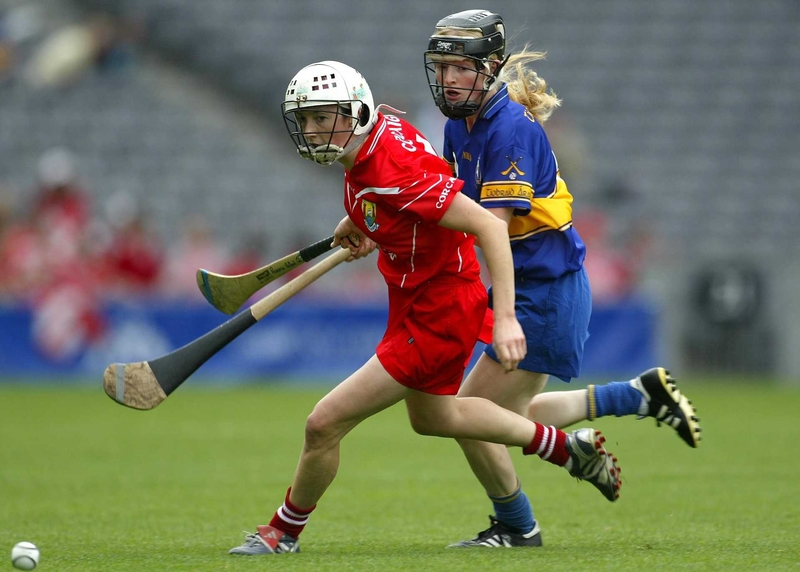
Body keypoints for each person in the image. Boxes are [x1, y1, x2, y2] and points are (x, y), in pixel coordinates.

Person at [228, 60, 622, 556]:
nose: (311, 131)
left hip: (440, 309)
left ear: (356, 111)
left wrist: (505, 319)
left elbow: (488, 226)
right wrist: (362, 217)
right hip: (416, 299)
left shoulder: (391, 171)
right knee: (435, 417)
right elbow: (409, 196)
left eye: (323, 118)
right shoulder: (378, 135)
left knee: (323, 423)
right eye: (304, 120)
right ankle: (557, 465)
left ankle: (283, 533)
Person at [423, 9, 702, 548]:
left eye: (461, 67)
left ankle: (517, 524)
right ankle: (636, 396)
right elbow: (447, 200)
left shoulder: (509, 131)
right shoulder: (461, 124)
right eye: (442, 67)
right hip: (531, 287)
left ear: (490, 68)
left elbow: (490, 230)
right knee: (503, 415)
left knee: (466, 415)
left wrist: (501, 314)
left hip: (544, 294)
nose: (449, 78)